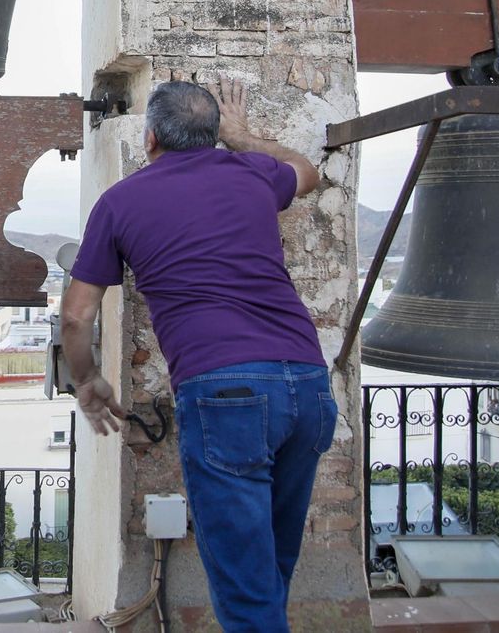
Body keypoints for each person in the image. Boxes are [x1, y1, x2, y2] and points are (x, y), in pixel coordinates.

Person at [61, 76, 334, 633]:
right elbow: (308, 171)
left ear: (151, 137)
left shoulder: (119, 203)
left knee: (245, 590)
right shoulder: (253, 172)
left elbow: (75, 315)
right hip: (307, 385)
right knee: (271, 571)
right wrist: (246, 138)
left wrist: (87, 381)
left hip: (226, 393)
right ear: (211, 134)